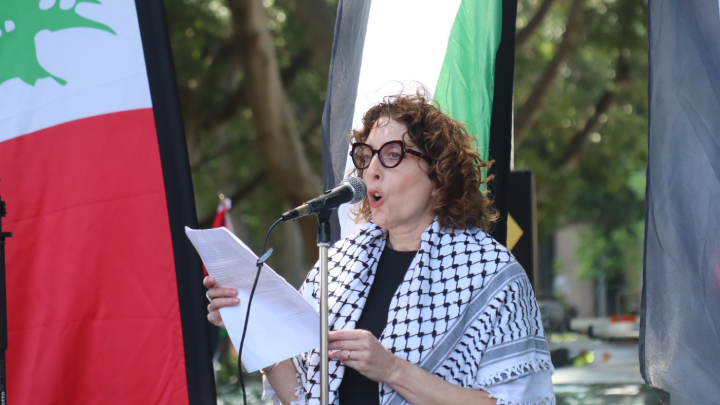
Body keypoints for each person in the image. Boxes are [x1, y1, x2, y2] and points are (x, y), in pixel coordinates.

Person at [204, 90, 555, 405]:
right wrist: (253, 330)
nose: (370, 169)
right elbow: (302, 396)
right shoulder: (338, 264)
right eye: (365, 155)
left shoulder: (491, 273)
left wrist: (392, 370)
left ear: (438, 172)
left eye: (391, 155)